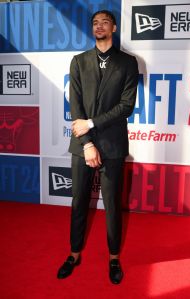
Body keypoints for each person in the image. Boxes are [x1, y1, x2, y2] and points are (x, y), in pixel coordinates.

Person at [57, 10, 139, 284]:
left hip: (113, 144)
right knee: (79, 201)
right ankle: (74, 252)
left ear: (113, 27)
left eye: (105, 22)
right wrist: (88, 142)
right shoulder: (78, 62)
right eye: (95, 23)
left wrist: (91, 124)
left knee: (112, 204)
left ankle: (114, 257)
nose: (99, 26)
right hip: (83, 146)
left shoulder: (128, 63)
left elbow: (125, 107)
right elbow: (76, 106)